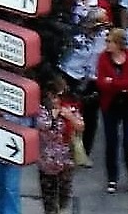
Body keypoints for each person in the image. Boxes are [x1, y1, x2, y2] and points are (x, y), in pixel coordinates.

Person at [96, 27, 128, 194]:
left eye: (110, 42)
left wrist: (113, 83)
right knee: (111, 142)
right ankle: (112, 179)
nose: (107, 44)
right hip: (111, 105)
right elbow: (101, 83)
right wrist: (121, 85)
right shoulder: (103, 58)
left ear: (119, 43)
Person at [34, 78, 82, 214]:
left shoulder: (68, 108)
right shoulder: (41, 111)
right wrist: (53, 118)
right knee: (49, 200)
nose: (54, 100)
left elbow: (80, 126)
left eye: (57, 96)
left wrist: (69, 116)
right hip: (47, 162)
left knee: (64, 196)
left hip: (66, 160)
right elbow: (41, 126)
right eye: (51, 97)